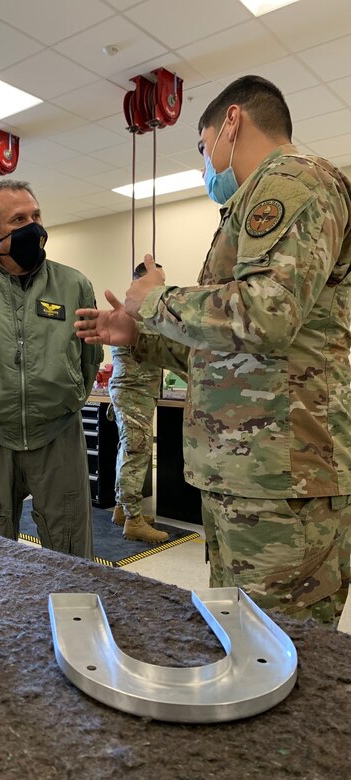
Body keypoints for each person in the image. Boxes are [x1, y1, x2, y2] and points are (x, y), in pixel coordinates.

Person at [75, 75, 351, 626]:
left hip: (280, 476)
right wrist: (140, 336)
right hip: (247, 475)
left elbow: (265, 314)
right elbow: (232, 352)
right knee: (243, 638)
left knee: (281, 648)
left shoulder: (292, 181)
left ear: (232, 122)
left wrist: (156, 301)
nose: (207, 165)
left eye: (203, 149)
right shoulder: (250, 203)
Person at [0, 178, 102, 559]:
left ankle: (72, 616)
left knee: (70, 548)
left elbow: (90, 359)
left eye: (36, 215)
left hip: (57, 434)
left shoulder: (73, 285)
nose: (33, 226)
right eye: (18, 219)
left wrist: (68, 394)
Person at [108, 262, 169, 544]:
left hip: (135, 393)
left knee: (129, 450)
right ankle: (133, 520)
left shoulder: (143, 312)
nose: (161, 284)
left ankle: (123, 508)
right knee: (137, 453)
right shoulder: (137, 312)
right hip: (134, 393)